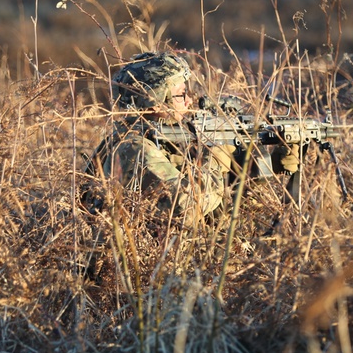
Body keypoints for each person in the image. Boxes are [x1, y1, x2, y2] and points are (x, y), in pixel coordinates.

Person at [85, 52, 302, 227]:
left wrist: (264, 167)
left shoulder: (168, 135)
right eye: (181, 95)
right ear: (155, 102)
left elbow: (221, 202)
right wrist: (215, 159)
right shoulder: (133, 148)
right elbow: (184, 209)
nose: (190, 101)